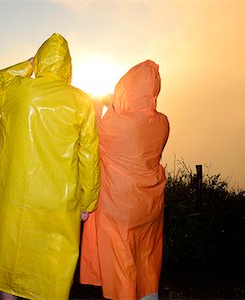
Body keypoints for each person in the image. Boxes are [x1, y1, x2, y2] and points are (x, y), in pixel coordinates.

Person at [0, 33, 101, 299]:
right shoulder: (82, 101)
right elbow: (89, 157)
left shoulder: (18, 91)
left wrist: (28, 64)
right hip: (59, 205)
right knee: (50, 276)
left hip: (16, 200)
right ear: (68, 64)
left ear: (41, 61)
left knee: (10, 270)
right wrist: (87, 202)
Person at [80, 60, 170, 300]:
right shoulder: (163, 122)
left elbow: (90, 129)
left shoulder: (115, 124)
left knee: (121, 267)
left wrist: (98, 104)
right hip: (150, 207)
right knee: (147, 260)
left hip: (119, 210)